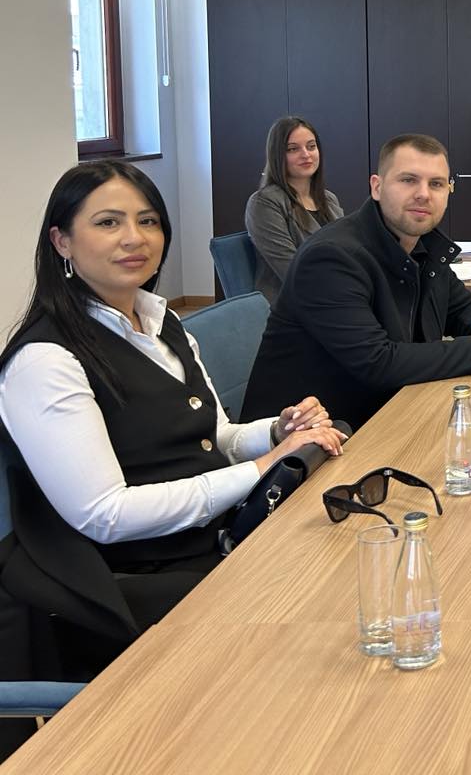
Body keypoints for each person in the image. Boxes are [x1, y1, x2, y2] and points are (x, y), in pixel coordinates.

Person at [0, 161, 344, 697]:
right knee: (317, 629)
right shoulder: (46, 360)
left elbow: (215, 436)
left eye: (148, 221)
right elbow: (106, 515)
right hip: (128, 582)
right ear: (61, 241)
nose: (134, 238)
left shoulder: (162, 322)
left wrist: (275, 434)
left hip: (209, 540)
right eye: (108, 222)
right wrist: (259, 468)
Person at [241, 134, 471, 431]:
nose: (424, 194)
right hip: (312, 438)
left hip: (387, 412)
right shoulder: (331, 258)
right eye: (408, 180)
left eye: (437, 184)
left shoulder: (423, 246)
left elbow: (464, 311)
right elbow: (377, 363)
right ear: (376, 187)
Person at [244, 115, 345, 304]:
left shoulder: (329, 199)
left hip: (335, 297)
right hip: (294, 304)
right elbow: (292, 270)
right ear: (277, 155)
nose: (306, 154)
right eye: (293, 149)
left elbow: (347, 252)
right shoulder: (264, 202)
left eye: (311, 146)